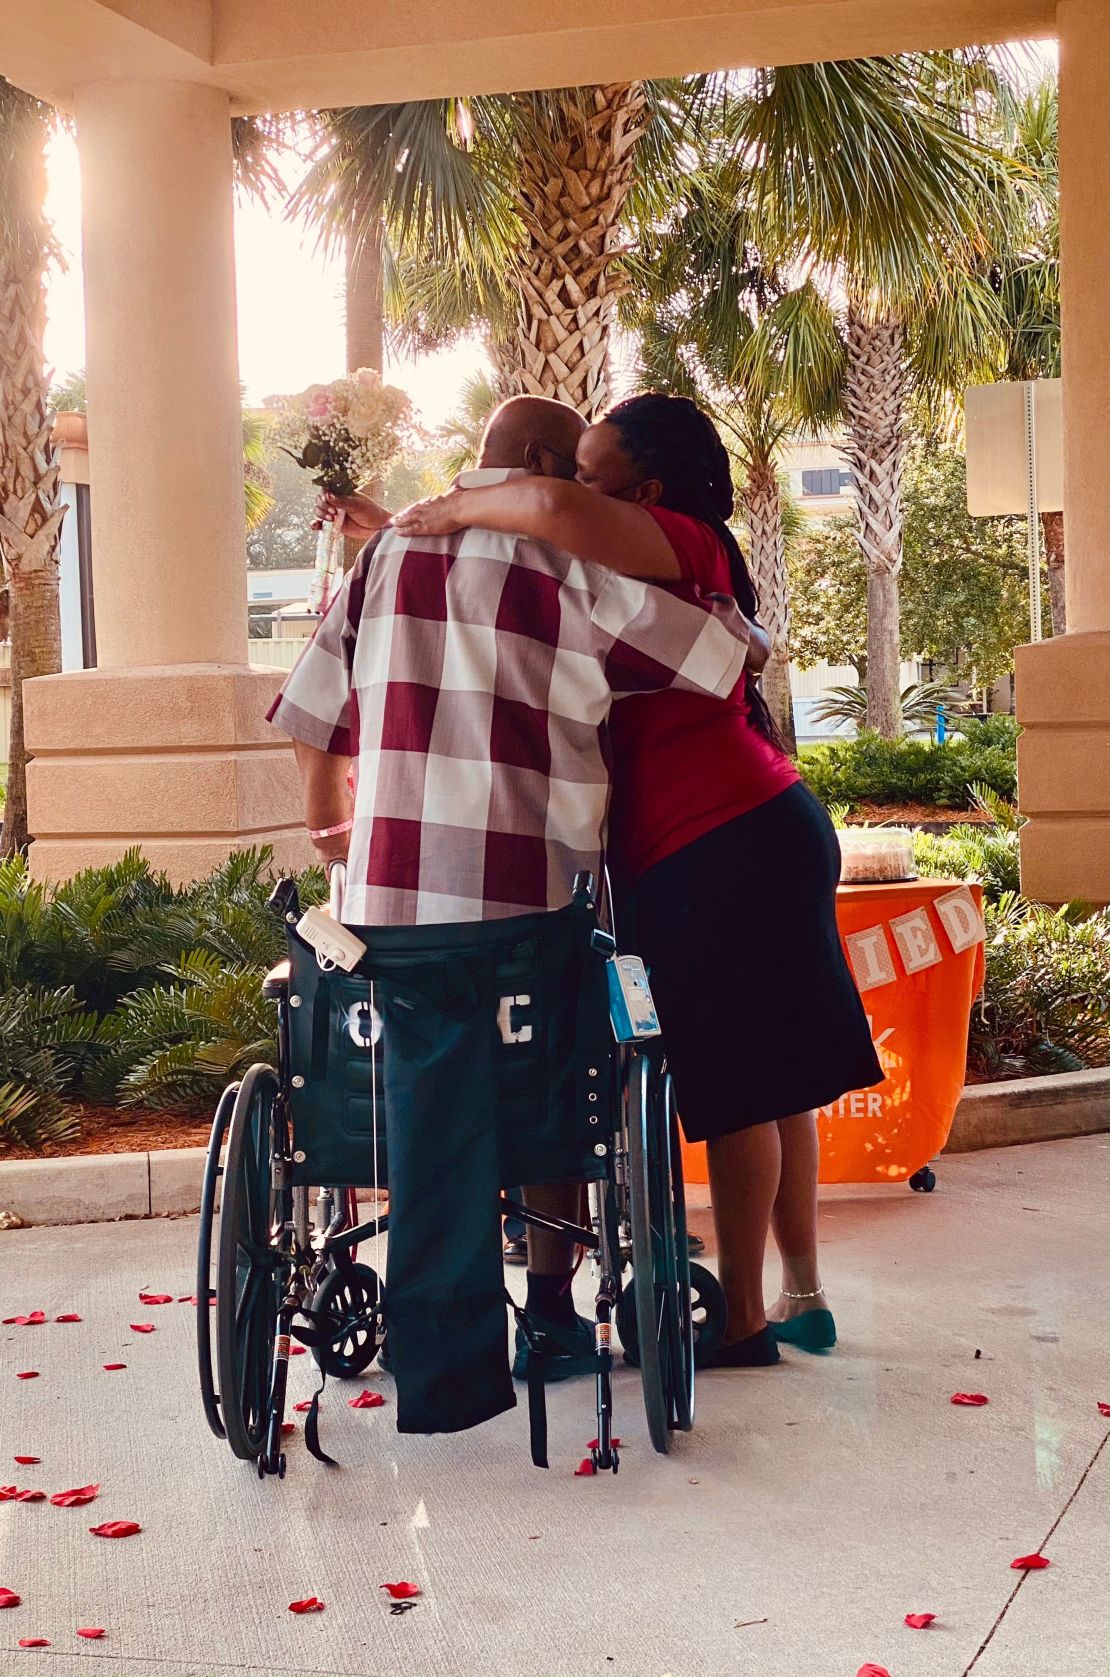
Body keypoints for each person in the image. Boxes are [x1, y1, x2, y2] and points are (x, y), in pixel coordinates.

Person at [392, 392, 884, 1368]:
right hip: (752, 823)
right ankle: (804, 1294)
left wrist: (449, 509)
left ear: (644, 492)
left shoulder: (667, 539)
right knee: (776, 1077)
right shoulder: (650, 561)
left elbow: (553, 517)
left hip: (719, 834)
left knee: (743, 1084)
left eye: (589, 469)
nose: (570, 486)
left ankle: (742, 1323)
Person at [270, 394, 753, 1379]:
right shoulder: (566, 565)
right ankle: (546, 1313)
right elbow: (718, 661)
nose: (580, 488)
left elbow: (313, 713)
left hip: (386, 915)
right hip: (528, 901)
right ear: (538, 459)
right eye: (571, 468)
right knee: (558, 1073)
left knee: (419, 1058)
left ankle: (427, 1310)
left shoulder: (386, 557)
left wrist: (331, 829)